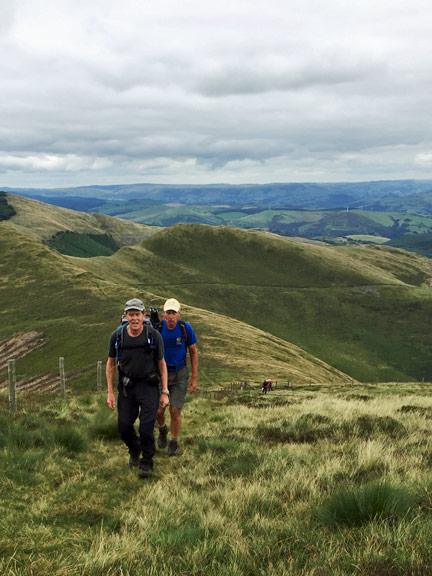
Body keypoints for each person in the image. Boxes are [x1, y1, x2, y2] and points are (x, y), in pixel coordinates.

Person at [106, 298, 169, 478]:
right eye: (131, 315)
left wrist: (164, 391)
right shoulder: (117, 336)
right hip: (127, 387)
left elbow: (162, 363)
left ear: (143, 316)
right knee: (124, 426)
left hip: (149, 386)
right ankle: (134, 448)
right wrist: (110, 392)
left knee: (147, 426)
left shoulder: (153, 336)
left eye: (137, 315)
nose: (134, 319)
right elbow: (110, 363)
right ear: (126, 316)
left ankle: (147, 462)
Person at [156, 298, 198, 456]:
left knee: (175, 410)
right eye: (168, 313)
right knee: (159, 410)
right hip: (161, 374)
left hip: (180, 373)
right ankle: (162, 429)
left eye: (174, 313)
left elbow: (193, 352)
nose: (171, 316)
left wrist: (194, 377)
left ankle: (173, 441)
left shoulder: (185, 328)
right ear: (164, 314)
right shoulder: (158, 328)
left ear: (179, 314)